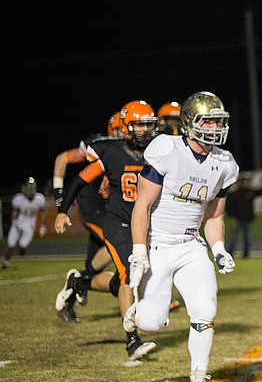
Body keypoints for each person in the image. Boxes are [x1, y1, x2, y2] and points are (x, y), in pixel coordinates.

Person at [126, 90, 238, 382]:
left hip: (191, 245)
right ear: (190, 122)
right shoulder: (167, 149)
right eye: (209, 121)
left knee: (205, 311)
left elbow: (214, 216)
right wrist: (138, 250)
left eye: (219, 122)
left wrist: (218, 249)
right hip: (159, 243)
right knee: (151, 322)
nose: (216, 128)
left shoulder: (225, 163)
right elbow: (142, 205)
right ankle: (138, 307)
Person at [55, 100, 159, 361]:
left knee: (122, 282)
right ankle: (133, 341)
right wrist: (62, 210)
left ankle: (81, 281)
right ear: (125, 127)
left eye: (149, 125)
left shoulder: (158, 151)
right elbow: (79, 180)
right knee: (126, 275)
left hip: (145, 224)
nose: (146, 131)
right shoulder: (110, 151)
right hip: (118, 222)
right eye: (140, 125)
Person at [53, 111, 123, 322]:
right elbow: (62, 159)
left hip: (110, 208)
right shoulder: (101, 147)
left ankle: (72, 295)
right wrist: (59, 201)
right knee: (118, 244)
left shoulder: (135, 150)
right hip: (93, 207)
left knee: (92, 267)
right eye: (123, 129)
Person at [224, 172, 262, 258]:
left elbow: (261, 191)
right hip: (237, 219)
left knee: (247, 239)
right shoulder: (234, 194)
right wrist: (232, 217)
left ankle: (246, 255)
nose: (247, 183)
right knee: (233, 238)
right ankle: (229, 254)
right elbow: (228, 207)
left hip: (247, 219)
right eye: (246, 181)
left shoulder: (250, 192)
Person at [2, 177, 47, 269]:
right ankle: (6, 263)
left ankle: (21, 254)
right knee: (10, 245)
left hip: (29, 224)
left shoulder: (39, 199)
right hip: (18, 223)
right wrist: (14, 221)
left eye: (31, 188)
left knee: (23, 244)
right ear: (23, 188)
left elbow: (43, 212)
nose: (29, 190)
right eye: (27, 187)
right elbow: (14, 212)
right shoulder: (18, 198)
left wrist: (42, 225)